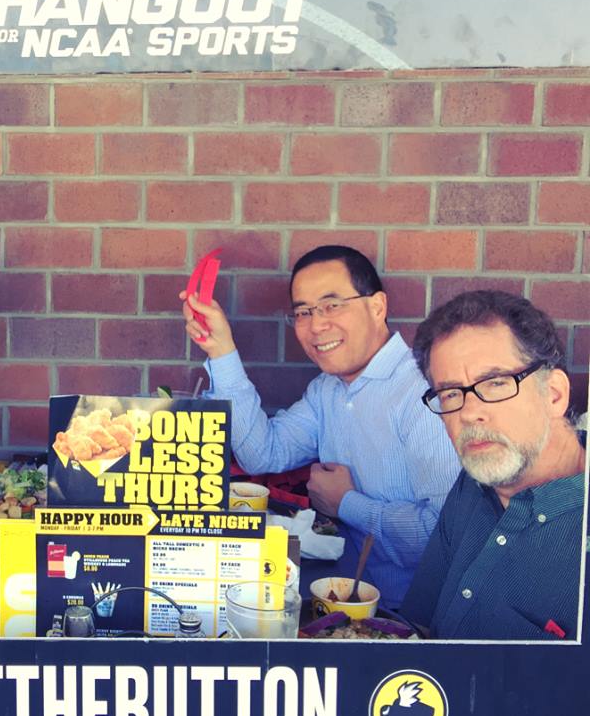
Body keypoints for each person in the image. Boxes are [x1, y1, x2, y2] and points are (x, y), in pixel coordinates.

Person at [181, 244, 461, 607]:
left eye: (332, 305)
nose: (316, 325)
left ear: (377, 307)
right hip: (335, 607)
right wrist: (221, 351)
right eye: (303, 312)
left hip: (410, 620)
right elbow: (262, 453)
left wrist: (346, 504)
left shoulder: (423, 393)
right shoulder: (327, 389)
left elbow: (445, 534)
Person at [401, 290, 585, 640]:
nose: (470, 412)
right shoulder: (476, 479)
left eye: (496, 383)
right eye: (451, 393)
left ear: (554, 395)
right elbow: (420, 629)